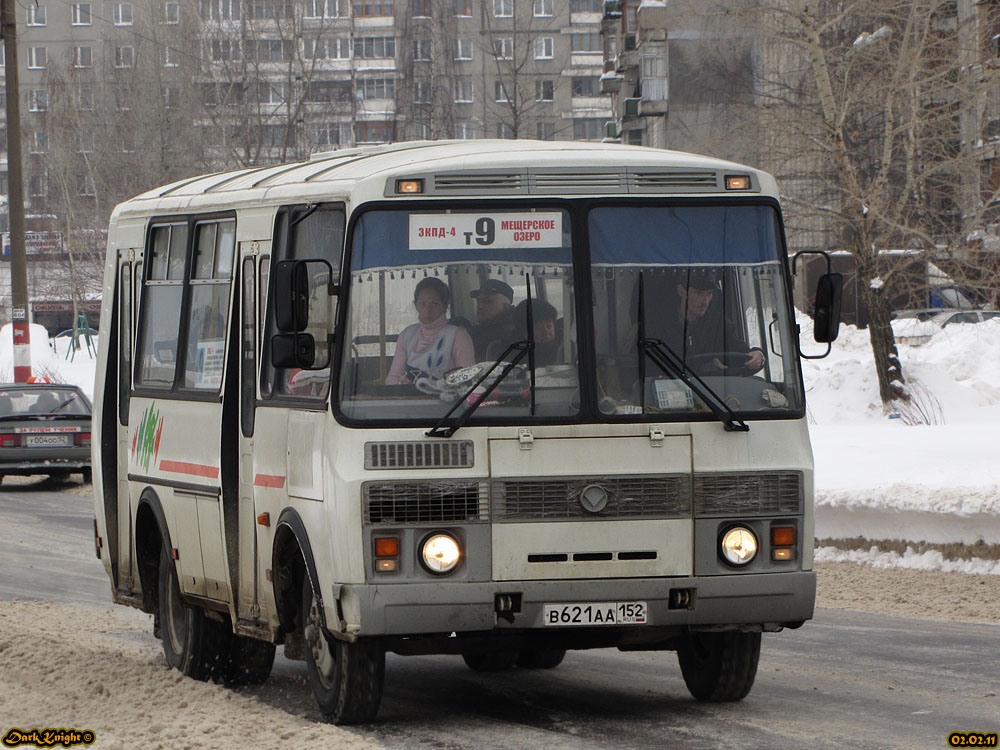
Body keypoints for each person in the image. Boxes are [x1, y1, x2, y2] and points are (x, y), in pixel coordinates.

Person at [649, 269, 764, 375]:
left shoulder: (718, 323)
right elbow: (646, 364)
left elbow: (739, 354)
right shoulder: (658, 324)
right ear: (681, 291)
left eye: (709, 294)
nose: (705, 301)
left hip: (709, 392)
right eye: (698, 293)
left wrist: (756, 356)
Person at [386, 277, 475, 384]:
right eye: (422, 304)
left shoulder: (458, 335)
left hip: (448, 398)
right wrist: (401, 383)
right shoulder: (406, 335)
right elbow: (392, 378)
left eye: (434, 304)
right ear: (415, 305)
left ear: (445, 306)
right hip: (411, 399)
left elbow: (467, 377)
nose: (427, 310)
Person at [469, 278, 518, 360]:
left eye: (488, 301)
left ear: (505, 307)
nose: (480, 306)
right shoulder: (478, 332)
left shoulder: (509, 335)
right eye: (478, 301)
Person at [516, 299, 562, 366]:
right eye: (538, 327)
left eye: (549, 326)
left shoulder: (566, 348)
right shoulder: (517, 357)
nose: (546, 332)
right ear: (525, 332)